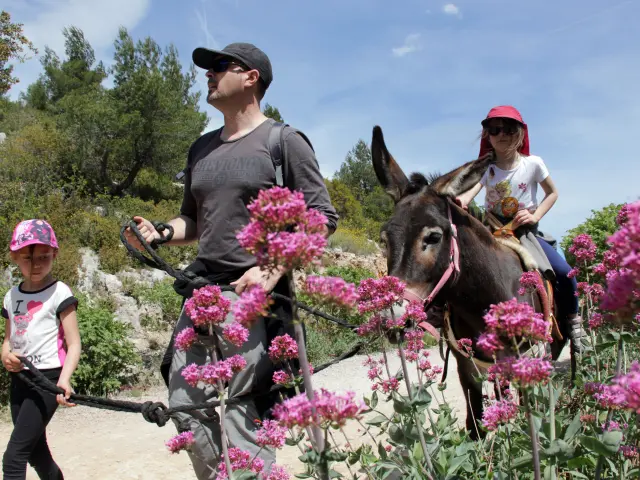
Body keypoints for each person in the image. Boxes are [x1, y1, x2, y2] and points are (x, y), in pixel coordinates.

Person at [124, 42, 338, 478]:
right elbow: (194, 220)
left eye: (220, 66)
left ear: (251, 77)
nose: (209, 74)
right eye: (208, 68)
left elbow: (323, 218)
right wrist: (161, 232)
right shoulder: (201, 148)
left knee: (244, 412)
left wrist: (272, 268)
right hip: (201, 294)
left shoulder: (283, 142)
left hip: (252, 296)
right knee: (187, 406)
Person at [456, 105, 585, 354]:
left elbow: (552, 193)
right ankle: (442, 321)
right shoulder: (486, 167)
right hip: (492, 230)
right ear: (487, 136)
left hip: (525, 233)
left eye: (508, 128)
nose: (501, 134)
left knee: (564, 272)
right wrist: (461, 200)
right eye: (494, 129)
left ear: (520, 133)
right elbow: (470, 193)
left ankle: (573, 321)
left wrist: (535, 214)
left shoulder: (533, 163)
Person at [2, 219, 81, 480]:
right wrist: (5, 355)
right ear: (14, 256)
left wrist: (64, 379)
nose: (35, 265)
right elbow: (8, 339)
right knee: (37, 453)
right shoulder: (11, 295)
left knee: (14, 457)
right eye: (27, 257)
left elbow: (73, 343)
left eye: (43, 257)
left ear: (54, 254)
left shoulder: (60, 292)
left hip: (46, 380)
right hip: (19, 379)